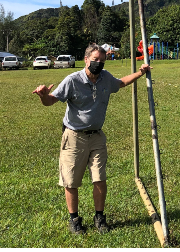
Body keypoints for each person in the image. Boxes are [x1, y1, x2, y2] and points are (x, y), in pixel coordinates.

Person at [33, 44, 151, 235]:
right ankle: (74, 220)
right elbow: (51, 101)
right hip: (74, 137)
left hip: (97, 136)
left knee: (100, 178)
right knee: (71, 181)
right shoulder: (72, 80)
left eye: (102, 61)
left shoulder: (105, 78)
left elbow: (120, 83)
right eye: (95, 60)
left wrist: (140, 72)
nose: (98, 64)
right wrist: (43, 96)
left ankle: (99, 217)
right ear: (86, 59)